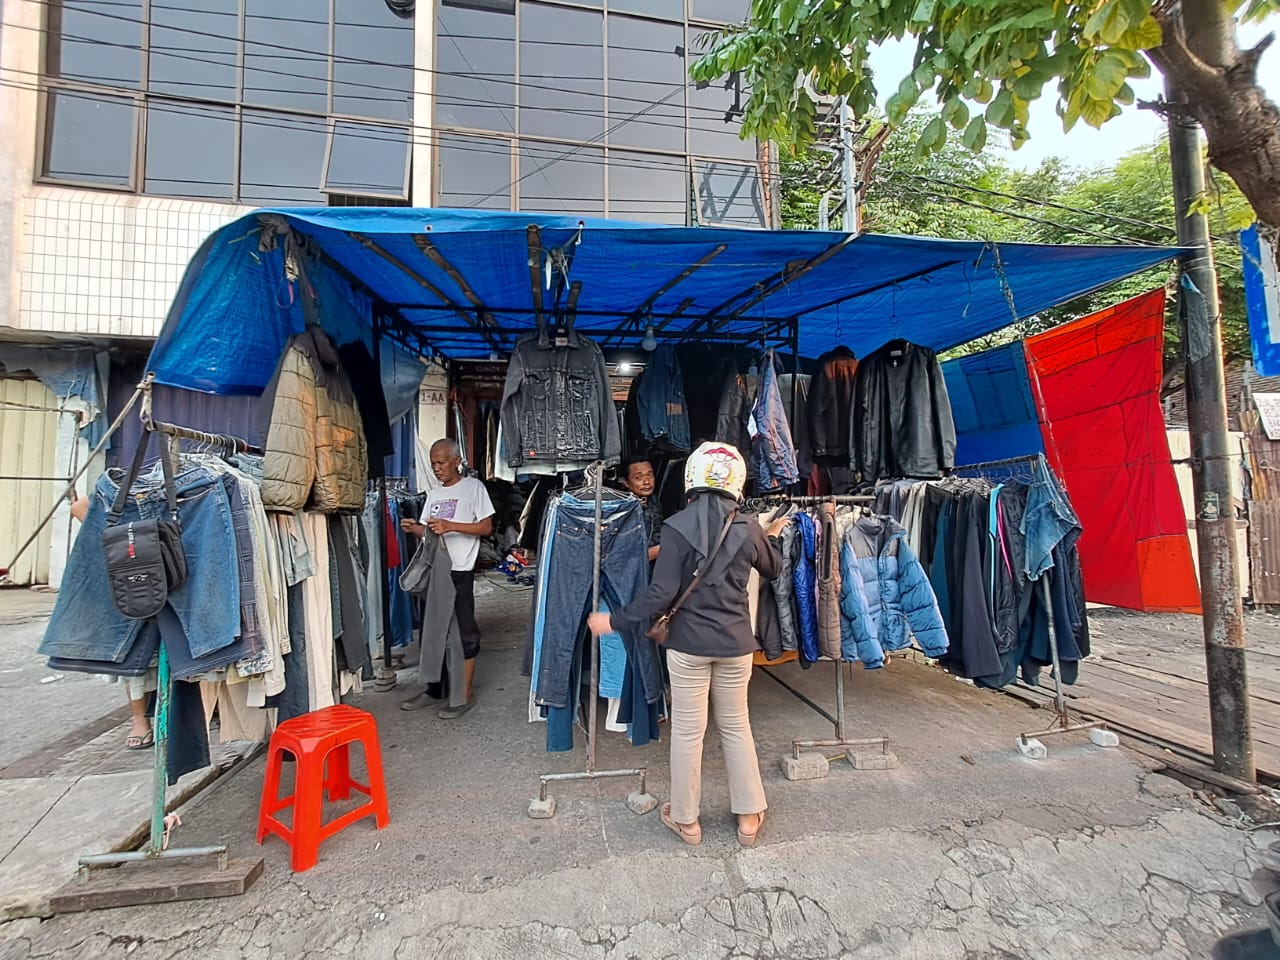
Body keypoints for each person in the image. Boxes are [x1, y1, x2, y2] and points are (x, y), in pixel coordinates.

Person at [588, 442, 786, 848]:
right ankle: (749, 818)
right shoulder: (748, 527)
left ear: (692, 477)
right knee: (736, 727)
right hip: (735, 645)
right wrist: (773, 537)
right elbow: (774, 568)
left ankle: (687, 821)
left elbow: (660, 593)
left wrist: (614, 620)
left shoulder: (676, 526)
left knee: (687, 733)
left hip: (687, 647)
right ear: (736, 480)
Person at [399, 439, 495, 719]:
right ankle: (435, 689)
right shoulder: (433, 494)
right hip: (435, 570)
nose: (437, 468)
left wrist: (451, 525)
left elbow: (486, 526)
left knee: (464, 632)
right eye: (433, 464)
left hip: (459, 570)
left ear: (457, 460)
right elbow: (431, 533)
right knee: (433, 630)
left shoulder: (473, 488)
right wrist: (415, 528)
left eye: (441, 462)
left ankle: (464, 693)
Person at [70, 493, 153, 750]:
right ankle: (139, 719)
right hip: (128, 575)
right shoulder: (121, 485)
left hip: (161, 570)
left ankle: (166, 715)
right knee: (134, 653)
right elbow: (79, 507)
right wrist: (122, 542)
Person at [621, 455, 663, 564]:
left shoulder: (653, 500)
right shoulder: (625, 510)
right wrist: (665, 548)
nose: (646, 482)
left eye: (650, 475)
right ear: (626, 482)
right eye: (638, 478)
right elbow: (627, 557)